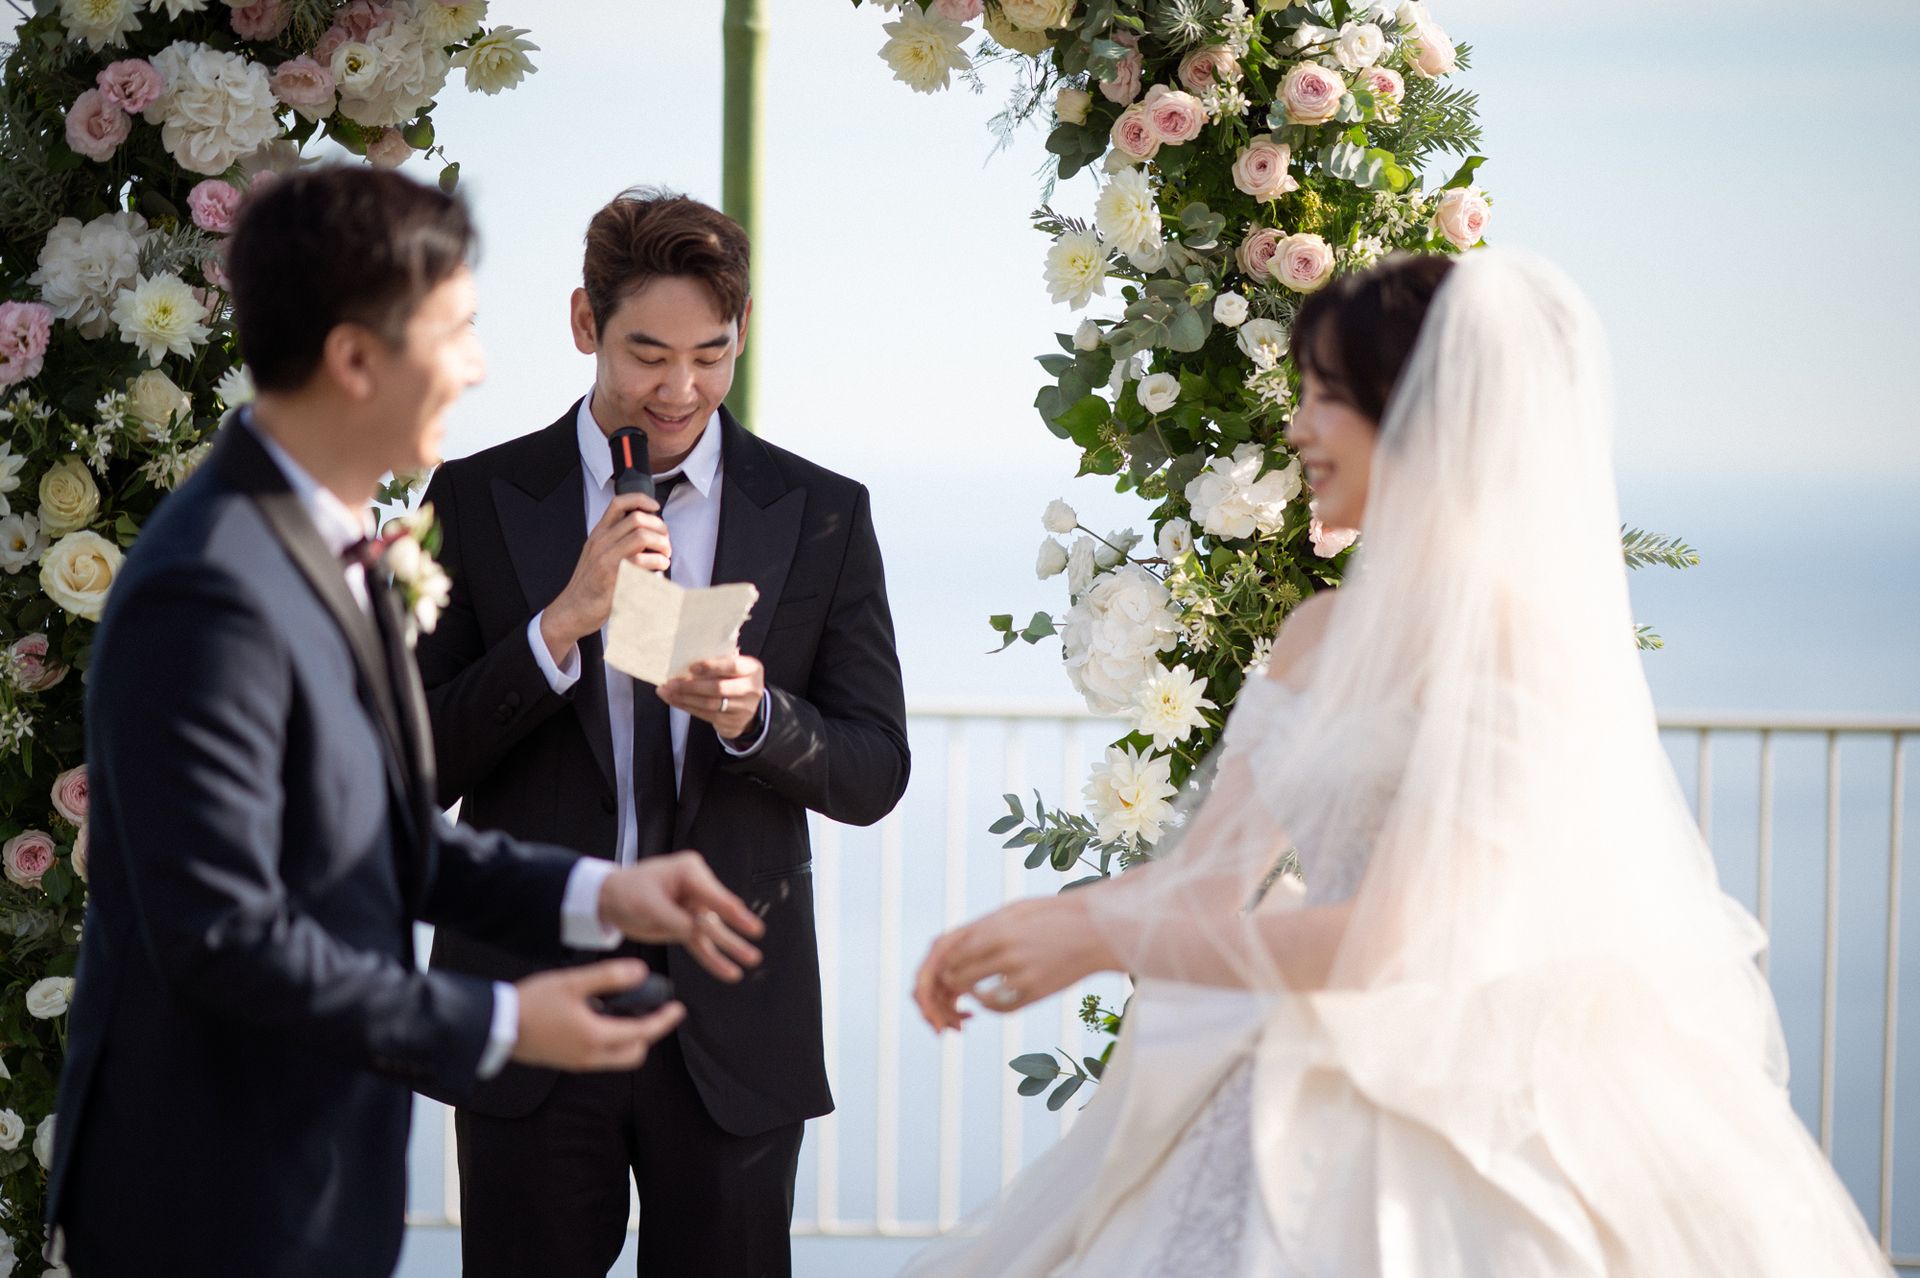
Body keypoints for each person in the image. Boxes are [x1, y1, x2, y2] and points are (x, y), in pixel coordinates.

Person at [906, 250, 1891, 1276]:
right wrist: (1032, 925)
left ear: (1425, 410)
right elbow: (1206, 878)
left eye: (1326, 396)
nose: (1295, 430)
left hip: (1471, 1101)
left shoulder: (1516, 641)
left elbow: (1392, 942)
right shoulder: (1317, 634)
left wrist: (1100, 933)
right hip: (1273, 1074)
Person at [46, 166, 767, 1278]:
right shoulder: (213, 585)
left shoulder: (334, 548)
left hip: (316, 1173)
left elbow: (381, 841)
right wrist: (502, 1025)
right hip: (209, 1193)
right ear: (355, 359)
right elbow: (223, 937)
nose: (478, 368)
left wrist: (601, 893)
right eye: (457, 332)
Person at [415, 187, 910, 1278]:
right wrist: (559, 627)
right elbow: (410, 763)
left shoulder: (824, 512)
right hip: (534, 1005)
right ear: (585, 323)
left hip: (734, 1025)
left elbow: (875, 768)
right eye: (648, 352)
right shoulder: (477, 496)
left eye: (711, 354)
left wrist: (759, 718)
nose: (680, 388)